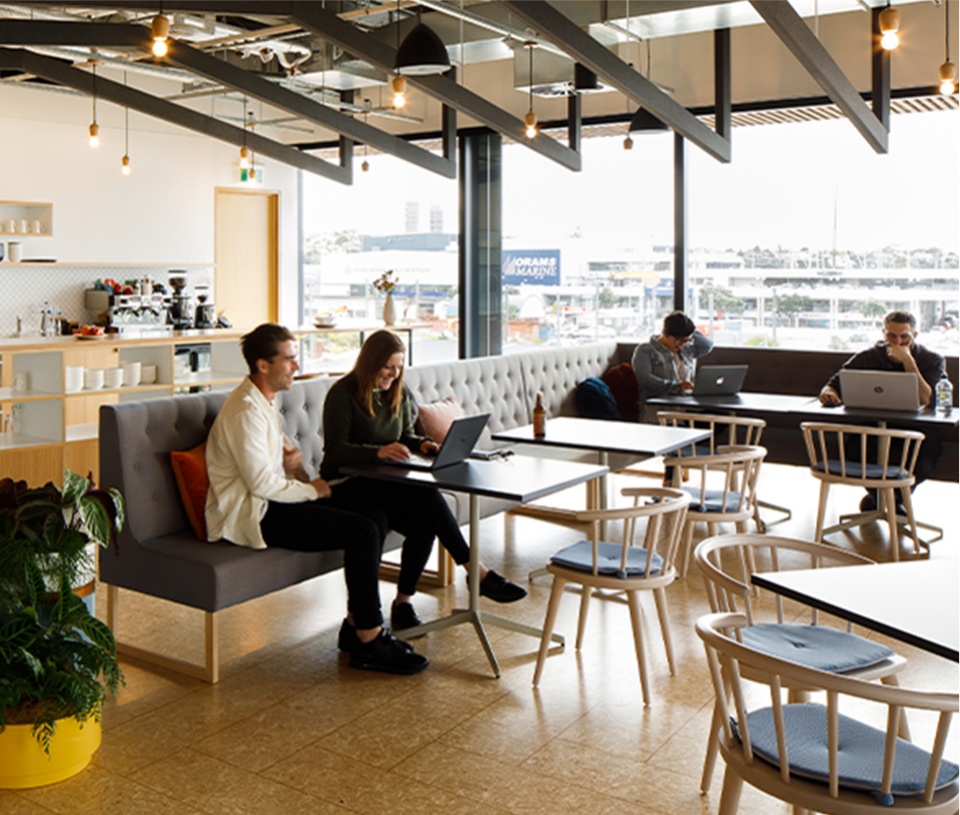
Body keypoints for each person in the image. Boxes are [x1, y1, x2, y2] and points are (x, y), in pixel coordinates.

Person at [204, 323, 428, 675]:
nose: (297, 365)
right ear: (263, 365)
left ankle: (356, 626)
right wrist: (313, 490)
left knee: (376, 518)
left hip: (274, 499)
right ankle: (369, 638)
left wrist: (300, 474)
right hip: (254, 514)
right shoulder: (246, 411)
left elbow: (279, 466)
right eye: (290, 359)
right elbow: (261, 483)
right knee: (363, 531)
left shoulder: (264, 400)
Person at [321, 330, 527, 631]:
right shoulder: (342, 394)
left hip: (383, 482)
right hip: (347, 483)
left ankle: (403, 603)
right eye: (388, 367)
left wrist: (422, 445)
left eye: (399, 367)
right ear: (370, 363)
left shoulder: (399, 392)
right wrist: (378, 452)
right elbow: (335, 451)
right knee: (428, 498)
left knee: (424, 525)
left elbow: (405, 435)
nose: (394, 374)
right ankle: (476, 572)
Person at [819, 309, 945, 512]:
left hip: (917, 427)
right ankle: (885, 499)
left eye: (904, 336)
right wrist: (829, 393)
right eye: (891, 336)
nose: (897, 342)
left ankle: (887, 499)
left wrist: (908, 362)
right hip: (874, 424)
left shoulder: (932, 359)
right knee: (854, 449)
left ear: (915, 335)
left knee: (927, 454)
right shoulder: (869, 356)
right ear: (883, 333)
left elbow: (927, 399)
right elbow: (833, 383)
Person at [631, 310, 714, 423]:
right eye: (677, 340)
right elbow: (645, 379)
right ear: (665, 332)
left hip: (685, 407)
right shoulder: (645, 350)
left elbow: (707, 345)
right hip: (658, 410)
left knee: (722, 417)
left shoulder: (685, 351)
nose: (681, 344)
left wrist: (689, 329)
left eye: (686, 340)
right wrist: (677, 386)